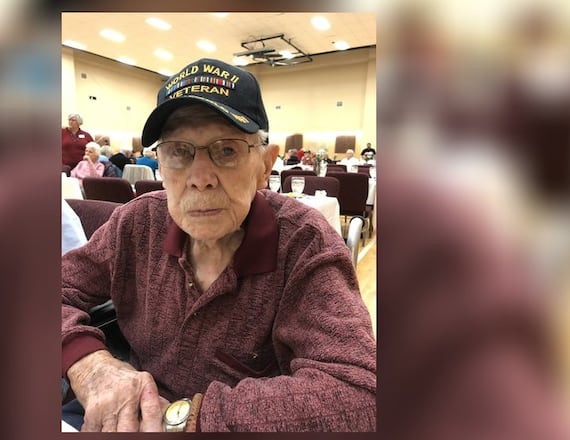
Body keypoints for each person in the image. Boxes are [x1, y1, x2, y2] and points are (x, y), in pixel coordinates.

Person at [61, 57, 376, 432]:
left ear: (264, 164)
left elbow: (360, 394)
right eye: (179, 151)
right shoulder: (137, 223)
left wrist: (186, 419)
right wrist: (92, 366)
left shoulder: (304, 242)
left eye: (226, 150)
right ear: (159, 163)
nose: (200, 178)